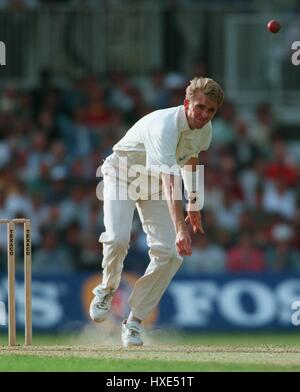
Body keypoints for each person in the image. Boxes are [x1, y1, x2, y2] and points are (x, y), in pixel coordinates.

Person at [89, 77, 224, 346]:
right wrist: (180, 228)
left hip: (155, 187)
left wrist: (194, 206)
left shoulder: (204, 128)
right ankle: (106, 289)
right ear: (186, 103)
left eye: (211, 111)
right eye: (200, 107)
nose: (204, 115)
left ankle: (134, 322)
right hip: (123, 176)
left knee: (171, 255)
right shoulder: (165, 126)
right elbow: (170, 180)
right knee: (117, 239)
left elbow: (193, 160)